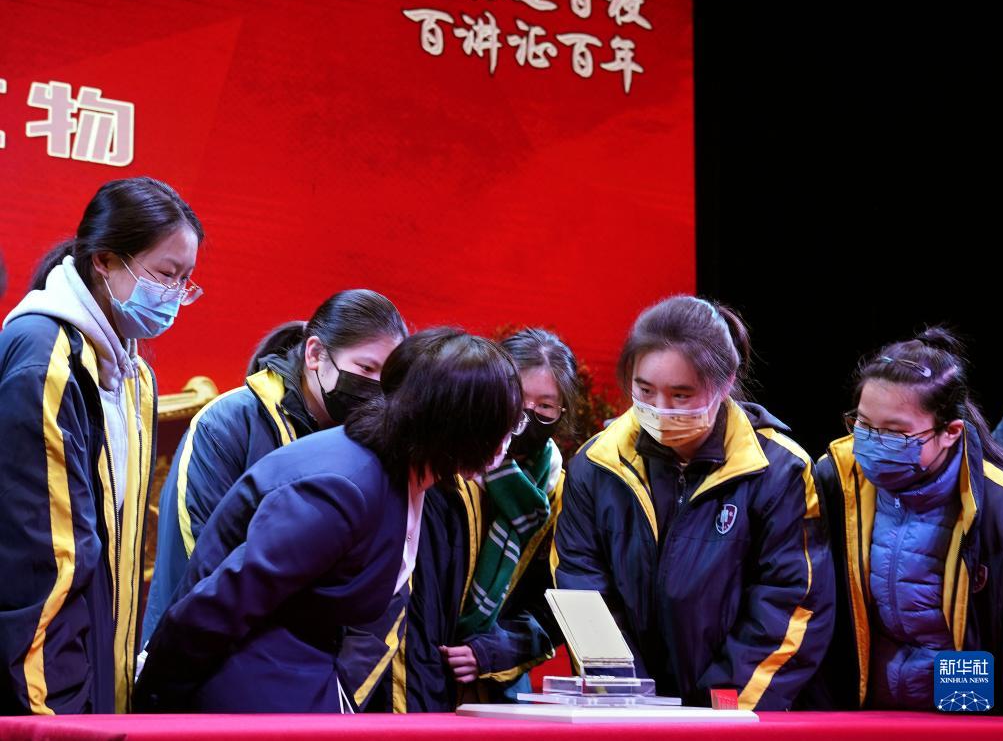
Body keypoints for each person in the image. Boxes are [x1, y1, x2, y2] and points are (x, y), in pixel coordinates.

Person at [133, 327, 525, 713]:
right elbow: (221, 603)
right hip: (248, 696)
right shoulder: (344, 488)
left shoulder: (400, 473)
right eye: (507, 425)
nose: (509, 441)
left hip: (297, 684)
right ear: (463, 425)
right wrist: (154, 704)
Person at [553, 294, 834, 710]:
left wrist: (716, 710)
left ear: (725, 382)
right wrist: (626, 699)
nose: (660, 409)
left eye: (681, 395)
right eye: (645, 390)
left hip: (734, 715)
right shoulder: (595, 465)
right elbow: (581, 585)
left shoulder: (780, 470)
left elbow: (791, 601)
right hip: (627, 713)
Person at [0, 177, 203, 715]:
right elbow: (43, 563)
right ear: (105, 260)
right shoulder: (47, 359)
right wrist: (56, 713)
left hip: (94, 675)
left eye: (186, 280)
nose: (175, 294)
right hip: (43, 692)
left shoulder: (132, 374)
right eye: (165, 274)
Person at [143, 290, 407, 645]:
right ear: (315, 354)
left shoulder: (369, 444)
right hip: (202, 642)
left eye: (386, 377)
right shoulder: (226, 423)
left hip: (307, 659)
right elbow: (198, 556)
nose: (375, 387)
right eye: (365, 368)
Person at [812, 328, 1003, 714]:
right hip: (861, 717)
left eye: (895, 433)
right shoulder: (834, 481)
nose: (872, 442)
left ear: (950, 432)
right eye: (863, 425)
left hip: (967, 719)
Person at [389, 328, 579, 711]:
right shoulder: (449, 472)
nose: (528, 415)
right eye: (518, 399)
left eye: (545, 406)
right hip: (417, 671)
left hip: (497, 686)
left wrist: (496, 649)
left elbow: (560, 602)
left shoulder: (559, 489)